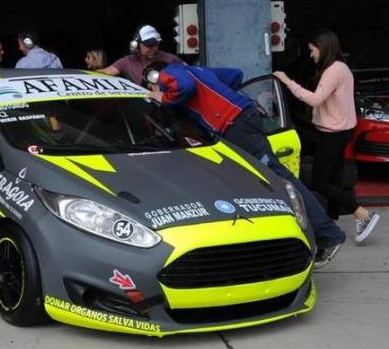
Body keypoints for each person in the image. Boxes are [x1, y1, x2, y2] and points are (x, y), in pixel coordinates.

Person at [144, 60, 346, 267]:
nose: (155, 89)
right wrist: (221, 100)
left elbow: (183, 86)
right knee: (256, 190)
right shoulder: (200, 71)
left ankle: (328, 236)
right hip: (245, 120)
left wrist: (164, 98)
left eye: (153, 86)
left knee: (280, 182)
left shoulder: (171, 72)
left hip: (236, 127)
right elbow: (235, 74)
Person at [274, 29, 379, 243]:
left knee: (320, 182)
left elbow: (314, 99)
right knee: (334, 178)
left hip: (333, 134)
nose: (311, 55)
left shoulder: (333, 71)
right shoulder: (342, 68)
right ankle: (333, 221)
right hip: (341, 130)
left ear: (322, 49)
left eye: (312, 51)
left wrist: (287, 81)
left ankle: (362, 213)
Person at [100, 24, 182, 84]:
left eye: (156, 44)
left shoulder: (170, 59)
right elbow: (107, 72)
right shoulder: (127, 62)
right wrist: (96, 67)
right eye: (148, 45)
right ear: (136, 45)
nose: (153, 48)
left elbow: (190, 74)